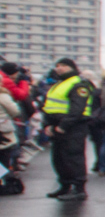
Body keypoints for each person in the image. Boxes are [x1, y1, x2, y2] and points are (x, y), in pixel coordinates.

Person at [40, 57, 94, 200]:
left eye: (63, 65)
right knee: (59, 158)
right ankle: (65, 186)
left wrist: (63, 126)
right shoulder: (58, 84)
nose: (59, 68)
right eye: (57, 65)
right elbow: (48, 107)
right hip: (57, 125)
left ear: (72, 67)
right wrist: (48, 125)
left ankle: (79, 188)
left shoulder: (79, 83)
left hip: (73, 127)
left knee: (73, 157)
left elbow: (77, 109)